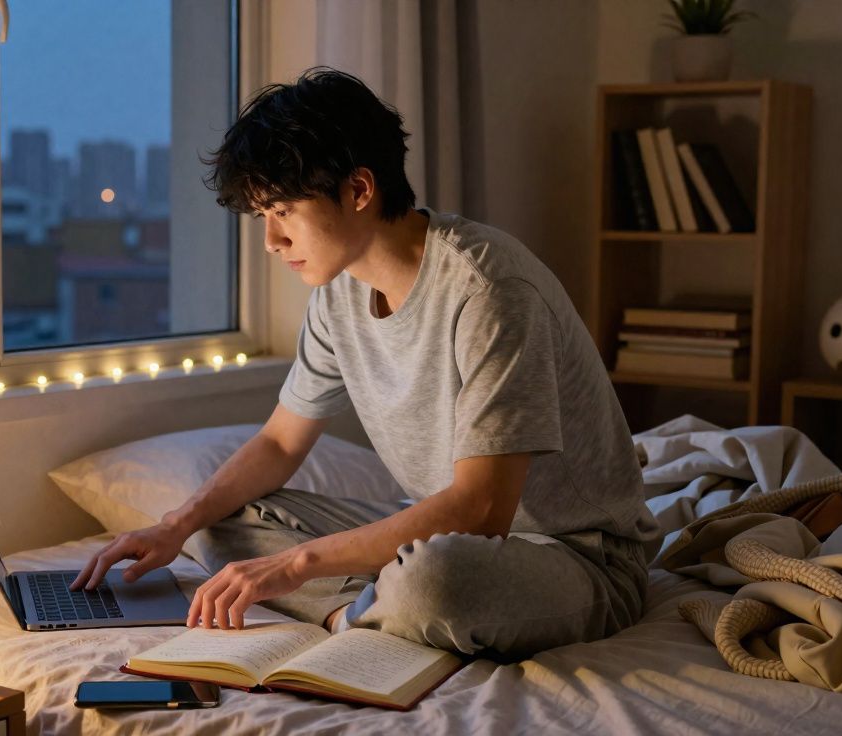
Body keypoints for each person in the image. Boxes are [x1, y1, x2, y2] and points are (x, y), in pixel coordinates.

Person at [72, 68, 659, 658]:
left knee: (436, 579)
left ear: (358, 191)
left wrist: (297, 565)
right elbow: (279, 446)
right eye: (261, 217)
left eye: (282, 211)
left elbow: (482, 510)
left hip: (575, 556)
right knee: (219, 518)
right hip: (441, 534)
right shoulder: (338, 293)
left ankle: (376, 602)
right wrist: (174, 527)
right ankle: (359, 610)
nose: (271, 241)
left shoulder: (490, 290)